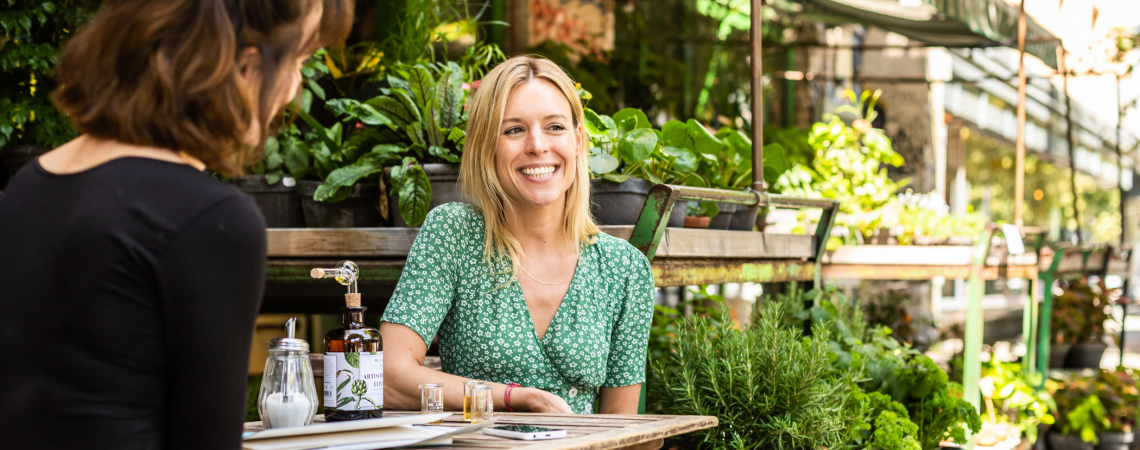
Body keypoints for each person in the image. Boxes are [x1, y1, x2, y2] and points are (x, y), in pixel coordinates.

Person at [0, 0, 351, 448]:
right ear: (245, 69)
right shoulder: (210, 220)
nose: (295, 89)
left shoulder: (30, 186)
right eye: (299, 61)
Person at [380, 56, 655, 415]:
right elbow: (385, 377)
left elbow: (620, 429)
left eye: (555, 126)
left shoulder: (625, 269)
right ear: (485, 146)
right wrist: (517, 398)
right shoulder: (454, 234)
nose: (537, 145)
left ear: (578, 139)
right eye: (513, 130)